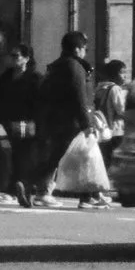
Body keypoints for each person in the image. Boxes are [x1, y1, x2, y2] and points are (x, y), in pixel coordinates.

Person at [30, 31, 99, 209]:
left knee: (70, 157)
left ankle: (87, 196)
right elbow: (80, 97)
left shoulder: (58, 66)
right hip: (70, 122)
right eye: (84, 48)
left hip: (57, 119)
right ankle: (42, 190)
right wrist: (87, 123)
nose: (85, 51)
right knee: (63, 156)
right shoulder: (74, 67)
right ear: (77, 49)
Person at [0, 45, 40, 204]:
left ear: (26, 58)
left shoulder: (35, 78)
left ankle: (18, 189)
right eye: (11, 56)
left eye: (16, 56)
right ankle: (14, 188)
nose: (13, 59)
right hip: (7, 122)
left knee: (23, 156)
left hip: (27, 123)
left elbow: (39, 103)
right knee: (8, 156)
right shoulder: (5, 77)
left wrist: (38, 123)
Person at [94, 58, 131, 167]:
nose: (124, 76)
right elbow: (121, 110)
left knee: (105, 159)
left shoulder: (100, 88)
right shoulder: (115, 89)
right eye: (122, 73)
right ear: (114, 74)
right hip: (116, 130)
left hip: (103, 130)